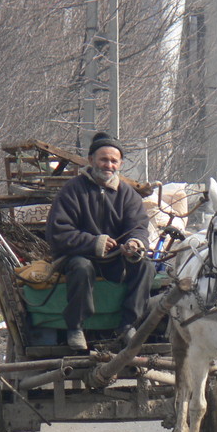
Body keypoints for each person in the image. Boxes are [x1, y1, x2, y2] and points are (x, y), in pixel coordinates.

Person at [45, 132, 154, 351]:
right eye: (104, 159)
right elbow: (59, 232)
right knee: (82, 267)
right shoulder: (73, 190)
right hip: (79, 258)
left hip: (115, 261)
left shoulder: (128, 195)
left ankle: (128, 325)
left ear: (120, 164)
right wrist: (94, 243)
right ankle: (76, 327)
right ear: (91, 160)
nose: (108, 165)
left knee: (145, 266)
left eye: (114, 161)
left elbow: (139, 228)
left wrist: (134, 244)